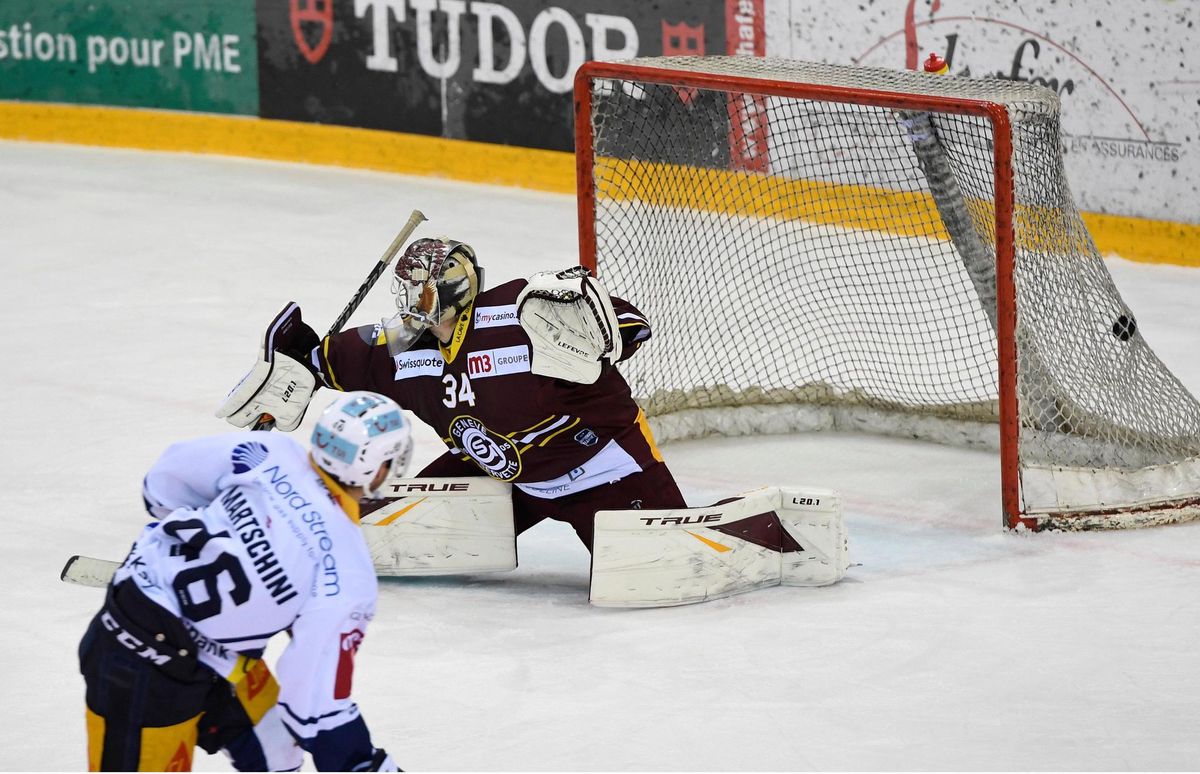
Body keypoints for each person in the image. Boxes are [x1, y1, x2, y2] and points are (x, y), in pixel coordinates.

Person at [219, 237, 686, 550]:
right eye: (405, 291)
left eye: (418, 292)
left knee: (662, 560)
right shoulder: (405, 343)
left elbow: (625, 324)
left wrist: (607, 329)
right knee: (386, 531)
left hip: (601, 470)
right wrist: (302, 365)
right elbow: (330, 358)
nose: (407, 303)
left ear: (452, 290)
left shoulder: (523, 309)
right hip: (504, 478)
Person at [79, 391, 414, 772]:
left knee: (277, 756)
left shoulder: (269, 452)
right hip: (141, 663)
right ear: (375, 468)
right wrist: (363, 765)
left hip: (189, 641)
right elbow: (314, 705)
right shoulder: (347, 570)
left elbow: (162, 483)